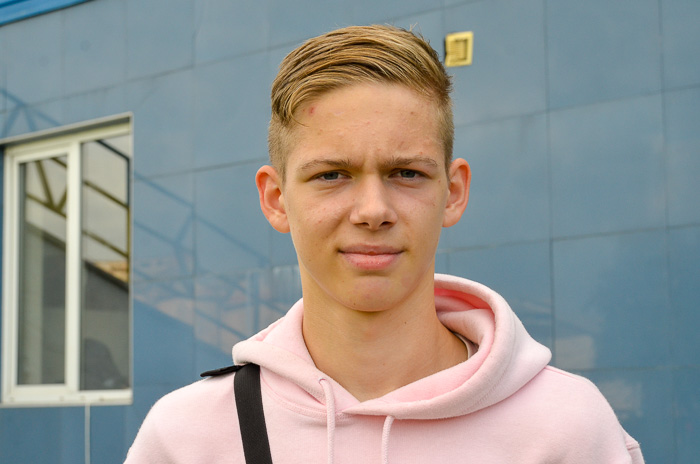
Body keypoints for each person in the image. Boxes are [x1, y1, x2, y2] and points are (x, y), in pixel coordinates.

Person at [125, 25, 644, 463]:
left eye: (406, 173)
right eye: (332, 175)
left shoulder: (566, 429)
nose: (373, 210)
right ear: (277, 198)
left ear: (453, 193)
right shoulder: (183, 439)